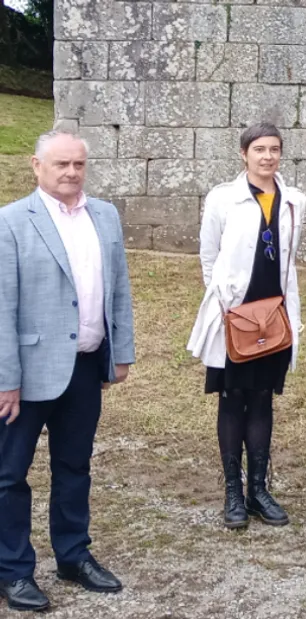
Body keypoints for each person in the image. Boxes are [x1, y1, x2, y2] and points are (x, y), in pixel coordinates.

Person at [0, 130, 136, 611]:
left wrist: (121, 351)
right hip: (27, 374)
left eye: (78, 164)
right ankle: (13, 571)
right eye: (61, 164)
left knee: (75, 467)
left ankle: (73, 555)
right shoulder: (12, 222)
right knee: (9, 475)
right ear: (37, 165)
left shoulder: (105, 215)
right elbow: (2, 306)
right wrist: (6, 381)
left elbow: (118, 286)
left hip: (83, 367)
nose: (71, 173)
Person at [186, 123, 306, 530]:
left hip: (274, 313)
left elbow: (288, 258)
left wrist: (283, 310)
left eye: (274, 149)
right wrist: (224, 303)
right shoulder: (223, 199)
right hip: (235, 314)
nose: (268, 156)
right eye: (259, 149)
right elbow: (208, 254)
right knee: (232, 395)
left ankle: (259, 489)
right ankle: (233, 492)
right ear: (244, 154)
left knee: (261, 398)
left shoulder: (293, 201)